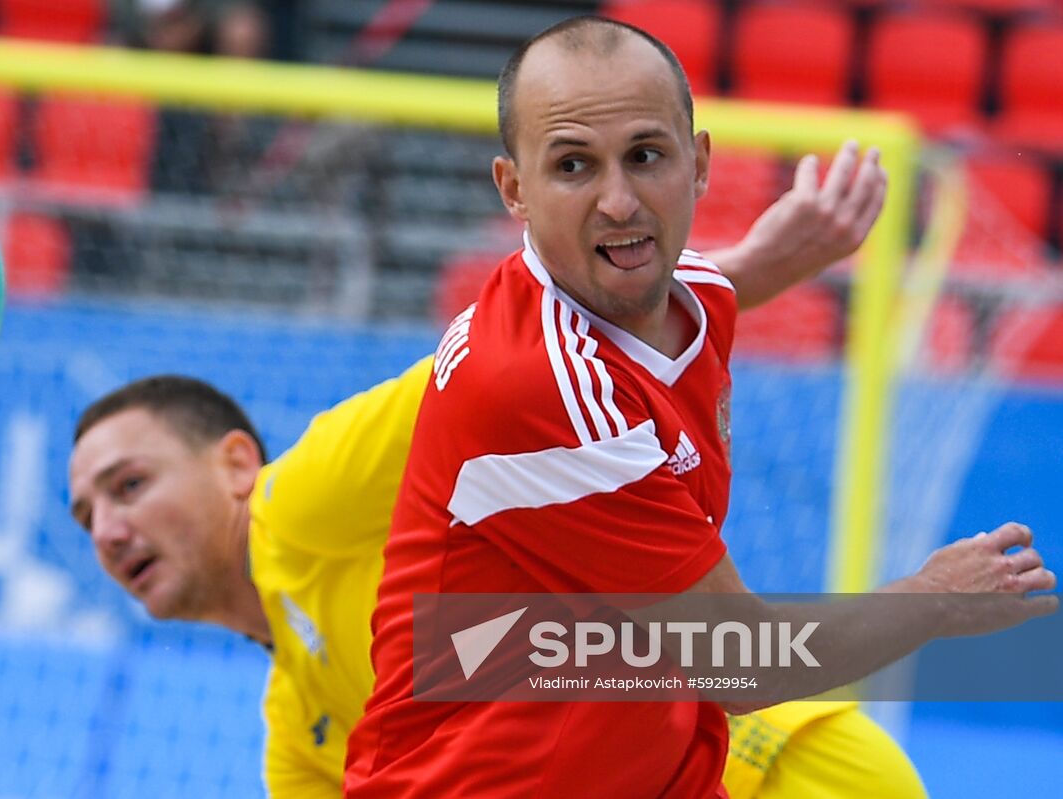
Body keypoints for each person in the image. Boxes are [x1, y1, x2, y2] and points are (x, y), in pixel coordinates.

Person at [69, 131, 940, 796]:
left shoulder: (301, 497)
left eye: (130, 484)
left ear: (233, 463)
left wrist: (743, 271)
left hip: (773, 773)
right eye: (87, 515)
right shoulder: (300, 732)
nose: (110, 530)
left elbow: (513, 366)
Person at [344, 16, 1055, 799]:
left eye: (646, 156)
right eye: (574, 165)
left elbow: (706, 288)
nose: (619, 200)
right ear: (514, 190)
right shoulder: (545, 388)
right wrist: (934, 599)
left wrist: (777, 255)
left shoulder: (685, 289)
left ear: (701, 162)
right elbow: (736, 659)